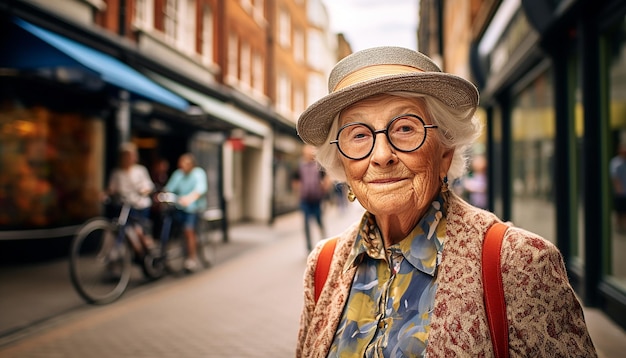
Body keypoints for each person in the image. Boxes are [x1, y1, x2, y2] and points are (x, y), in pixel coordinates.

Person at [295, 47, 596, 357]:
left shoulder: (520, 263)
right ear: (343, 163)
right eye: (358, 135)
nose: (382, 155)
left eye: (405, 128)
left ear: (445, 152)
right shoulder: (324, 264)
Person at [106, 142, 156, 257]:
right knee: (123, 228)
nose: (128, 158)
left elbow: (148, 186)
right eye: (126, 155)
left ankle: (149, 250)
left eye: (131, 155)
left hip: (139, 205)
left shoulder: (140, 170)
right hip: (124, 206)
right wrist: (105, 193)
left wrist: (143, 190)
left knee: (140, 231)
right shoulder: (117, 173)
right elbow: (112, 188)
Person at [163, 153, 207, 272]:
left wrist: (190, 198)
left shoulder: (198, 173)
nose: (182, 165)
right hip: (178, 206)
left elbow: (200, 189)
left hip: (193, 208)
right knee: (169, 226)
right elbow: (169, 188)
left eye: (186, 163)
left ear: (192, 165)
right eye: (181, 163)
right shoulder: (178, 174)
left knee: (188, 230)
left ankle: (191, 259)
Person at [292, 144, 331, 252]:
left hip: (317, 199)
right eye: (308, 150)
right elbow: (295, 180)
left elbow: (326, 178)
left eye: (311, 150)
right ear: (304, 152)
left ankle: (325, 243)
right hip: (305, 200)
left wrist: (325, 187)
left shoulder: (318, 165)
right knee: (306, 224)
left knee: (319, 221)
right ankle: (309, 247)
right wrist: (298, 192)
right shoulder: (299, 165)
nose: (310, 152)